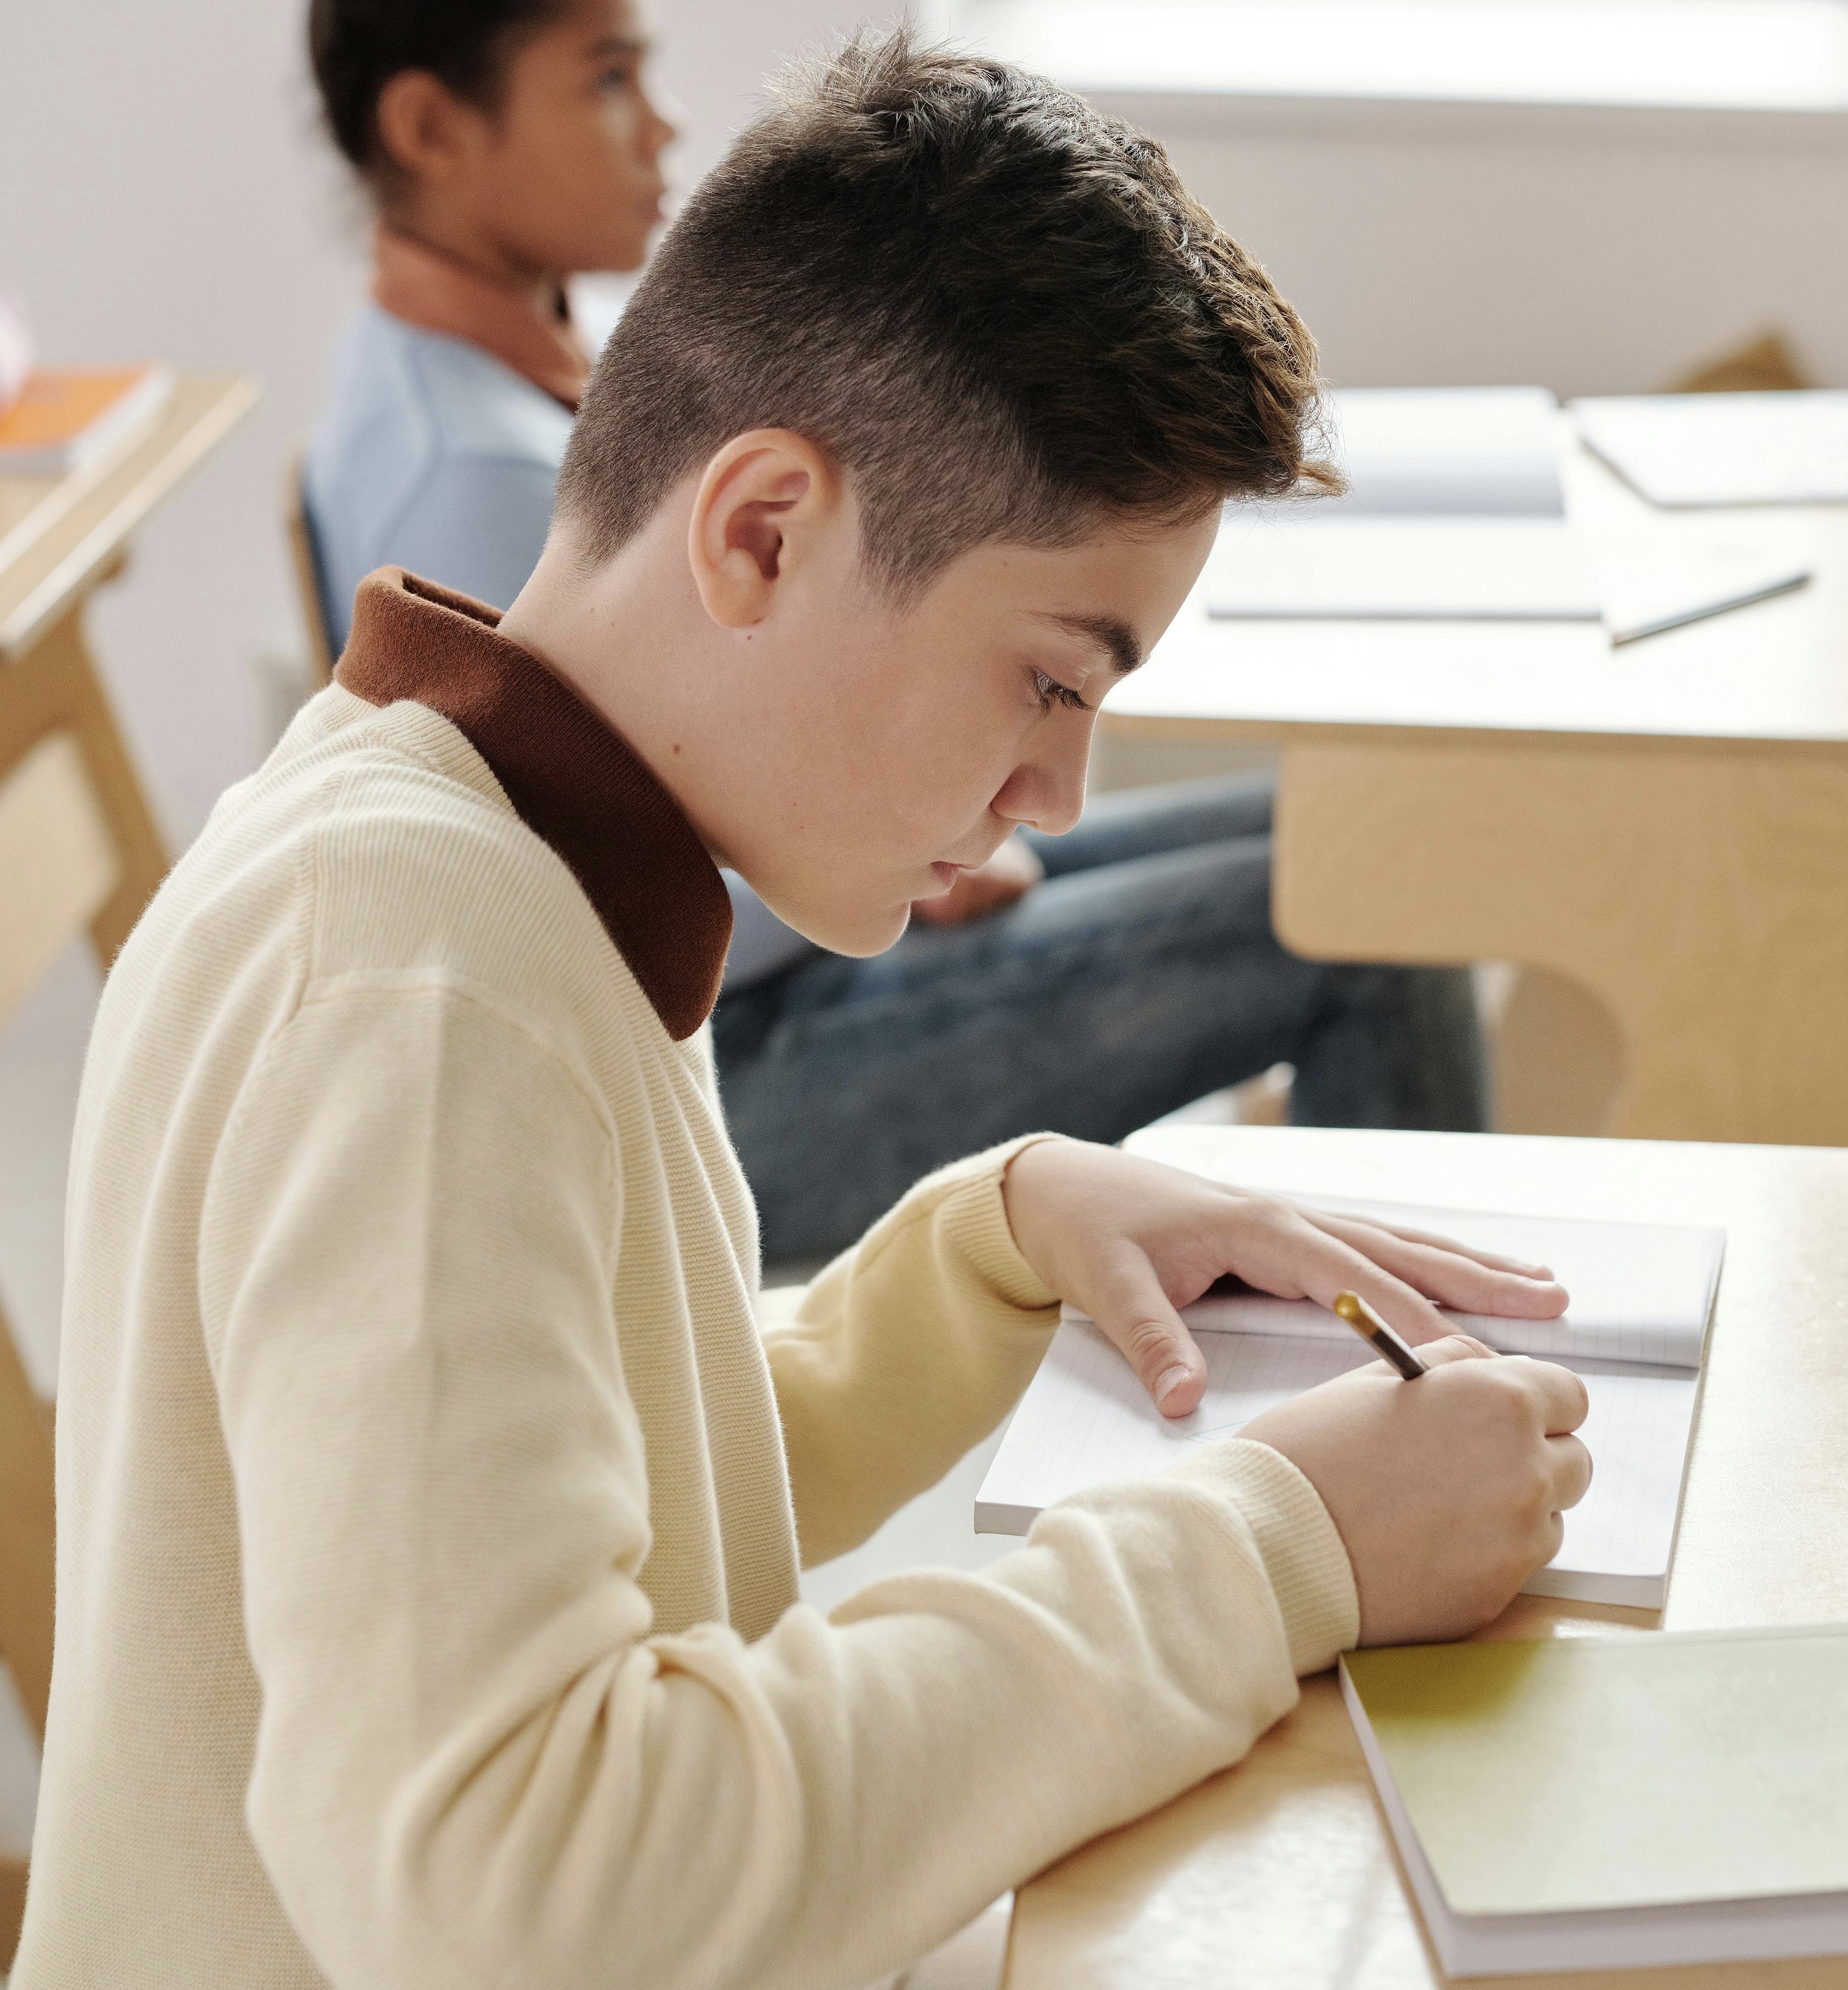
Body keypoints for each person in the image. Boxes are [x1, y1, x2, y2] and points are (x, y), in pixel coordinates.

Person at [10, 37, 1592, 1990]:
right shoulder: (417, 988)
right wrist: (1272, 1553)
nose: (1060, 792)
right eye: (1047, 680)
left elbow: (596, 1471)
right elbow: (521, 1899)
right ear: (761, 530)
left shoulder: (513, 858)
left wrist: (988, 1247)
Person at [302, 0, 1488, 1263]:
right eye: (1046, 682)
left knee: (1359, 852)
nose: (661, 122)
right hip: (767, 1028)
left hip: (746, 967)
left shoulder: (531, 367)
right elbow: (590, 832)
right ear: (759, 534)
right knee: (1363, 919)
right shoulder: (462, 1035)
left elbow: (714, 1450)